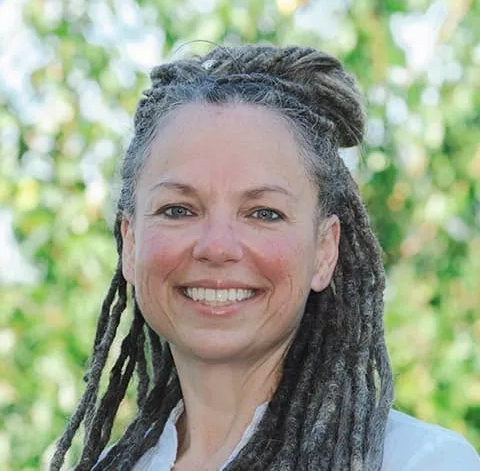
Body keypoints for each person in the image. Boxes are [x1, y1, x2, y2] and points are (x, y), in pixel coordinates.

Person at [50, 45, 480, 471]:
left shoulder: (420, 461)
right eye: (178, 210)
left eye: (263, 213)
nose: (216, 247)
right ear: (130, 244)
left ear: (324, 251)